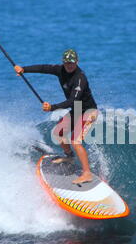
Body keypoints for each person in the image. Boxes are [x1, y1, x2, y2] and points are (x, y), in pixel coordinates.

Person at [14, 49, 98, 184]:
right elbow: (43, 68)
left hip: (89, 111)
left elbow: (72, 101)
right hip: (77, 110)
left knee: (75, 141)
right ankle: (69, 157)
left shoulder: (80, 79)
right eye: (67, 63)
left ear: (77, 62)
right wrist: (23, 69)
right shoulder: (60, 70)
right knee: (58, 132)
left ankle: (87, 173)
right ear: (63, 62)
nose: (69, 65)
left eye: (72, 63)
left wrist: (52, 107)